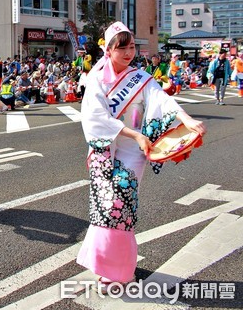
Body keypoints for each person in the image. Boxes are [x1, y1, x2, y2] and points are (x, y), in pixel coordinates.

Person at [76, 22, 206, 292]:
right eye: (121, 47)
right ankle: (103, 265)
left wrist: (187, 119)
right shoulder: (96, 79)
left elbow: (163, 101)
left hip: (134, 152)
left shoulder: (141, 78)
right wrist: (134, 135)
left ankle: (117, 270)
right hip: (106, 148)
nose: (127, 52)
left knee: (121, 206)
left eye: (131, 47)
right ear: (108, 50)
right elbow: (95, 118)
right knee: (105, 205)